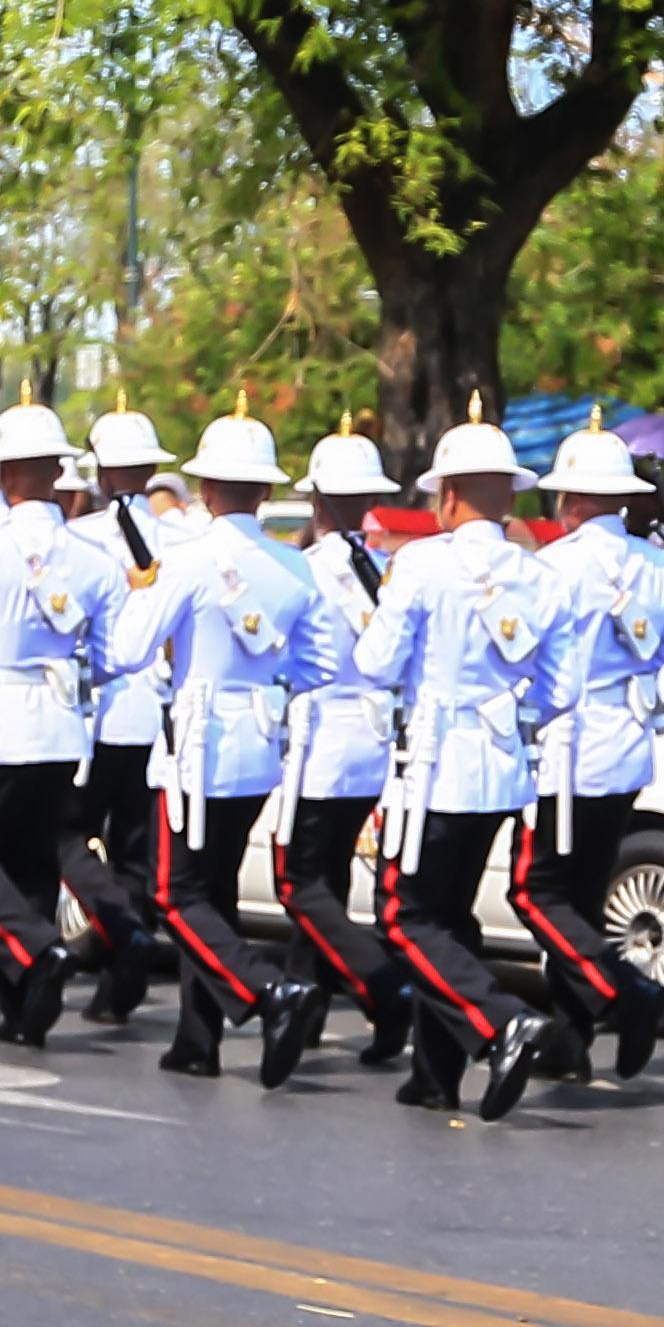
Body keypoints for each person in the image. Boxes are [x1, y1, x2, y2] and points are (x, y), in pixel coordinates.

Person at [354, 412, 576, 1116]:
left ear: (447, 496)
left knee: (404, 917)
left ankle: (500, 1020)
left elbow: (375, 664)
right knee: (449, 917)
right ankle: (435, 1072)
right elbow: (561, 690)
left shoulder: (422, 564)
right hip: (499, 764)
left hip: (433, 766)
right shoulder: (541, 575)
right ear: (509, 495)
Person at [125, 411, 339, 1086]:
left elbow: (128, 649)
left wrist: (143, 593)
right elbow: (319, 665)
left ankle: (268, 988)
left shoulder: (187, 560)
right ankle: (197, 1038)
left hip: (196, 741)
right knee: (212, 890)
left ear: (207, 489)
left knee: (173, 892)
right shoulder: (294, 566)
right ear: (263, 491)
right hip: (256, 739)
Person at [0, 399, 130, 1045]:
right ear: (56, 474)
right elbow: (114, 658)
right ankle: (26, 1010)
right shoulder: (95, 558)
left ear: (6, 475)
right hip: (64, 725)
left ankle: (38, 949)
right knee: (35, 862)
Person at [502, 426, 664, 1084]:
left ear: (571, 499)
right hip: (627, 744)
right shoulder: (661, 566)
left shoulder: (554, 566)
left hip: (567, 746)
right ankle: (570, 1041)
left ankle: (627, 989)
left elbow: (526, 656)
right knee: (579, 899)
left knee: (536, 891)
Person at [276, 432, 414, 1062]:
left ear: (316, 501)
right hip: (372, 738)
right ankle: (305, 1009)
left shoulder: (304, 570)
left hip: (322, 739)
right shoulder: (385, 569)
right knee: (325, 880)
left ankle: (383, 986)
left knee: (301, 882)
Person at [60, 407, 183, 1023]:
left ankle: (121, 931)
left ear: (103, 474)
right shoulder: (184, 539)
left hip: (96, 712)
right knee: (136, 850)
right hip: (157, 717)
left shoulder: (81, 540)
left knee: (66, 837)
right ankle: (120, 981)